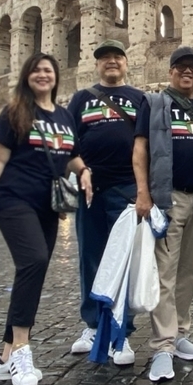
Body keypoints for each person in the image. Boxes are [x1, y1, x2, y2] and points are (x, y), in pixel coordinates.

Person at [0, 53, 91, 385]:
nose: (43, 75)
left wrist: (84, 170)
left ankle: (4, 359)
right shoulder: (14, 111)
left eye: (48, 70)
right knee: (32, 260)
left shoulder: (63, 115)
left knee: (33, 270)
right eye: (36, 70)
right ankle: (21, 349)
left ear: (56, 76)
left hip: (47, 204)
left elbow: (70, 154)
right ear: (26, 77)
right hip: (13, 198)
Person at [133, 46, 193, 382]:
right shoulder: (153, 103)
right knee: (165, 272)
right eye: (181, 67)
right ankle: (163, 345)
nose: (188, 72)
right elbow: (140, 150)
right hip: (169, 198)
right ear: (170, 72)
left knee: (189, 271)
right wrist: (143, 193)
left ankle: (180, 332)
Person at [68, 39, 145, 364]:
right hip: (90, 189)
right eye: (105, 58)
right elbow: (69, 142)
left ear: (125, 63)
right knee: (90, 256)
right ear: (97, 64)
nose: (111, 62)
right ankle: (92, 324)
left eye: (116, 57)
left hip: (126, 188)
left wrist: (145, 190)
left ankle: (121, 330)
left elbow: (147, 146)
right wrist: (81, 170)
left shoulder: (140, 99)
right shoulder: (81, 99)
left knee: (124, 260)